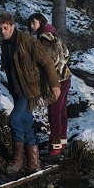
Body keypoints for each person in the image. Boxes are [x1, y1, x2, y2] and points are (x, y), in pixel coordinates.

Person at [0, 12, 61, 176]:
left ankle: (17, 161)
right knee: (25, 122)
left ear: (12, 26)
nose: (3, 31)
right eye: (0, 29)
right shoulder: (5, 43)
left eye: (5, 28)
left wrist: (54, 85)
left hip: (31, 89)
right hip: (17, 89)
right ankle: (34, 163)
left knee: (15, 119)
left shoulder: (27, 41)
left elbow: (46, 62)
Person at [28, 13, 71, 161]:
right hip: (66, 77)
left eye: (34, 23)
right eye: (30, 24)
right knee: (61, 113)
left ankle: (55, 149)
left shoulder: (44, 37)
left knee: (54, 114)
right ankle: (62, 143)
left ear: (40, 22)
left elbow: (47, 61)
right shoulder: (53, 33)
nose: (32, 26)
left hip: (57, 81)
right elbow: (66, 53)